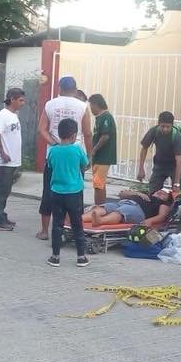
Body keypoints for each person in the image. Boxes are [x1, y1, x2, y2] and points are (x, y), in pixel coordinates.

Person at [36, 76, 92, 240]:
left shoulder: (50, 104)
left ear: (59, 89)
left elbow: (42, 129)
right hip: (76, 156)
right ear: (75, 90)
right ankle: (72, 231)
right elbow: (88, 134)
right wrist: (89, 156)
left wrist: (54, 143)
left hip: (53, 156)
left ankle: (45, 231)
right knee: (75, 193)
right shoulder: (82, 106)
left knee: (49, 191)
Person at [45, 119, 90, 267]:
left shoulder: (53, 150)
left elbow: (50, 165)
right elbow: (85, 164)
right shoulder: (77, 150)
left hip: (57, 192)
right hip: (74, 192)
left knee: (57, 224)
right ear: (74, 135)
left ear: (59, 134)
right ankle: (81, 257)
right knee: (77, 224)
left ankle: (55, 256)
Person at [0, 88, 26, 231]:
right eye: (20, 100)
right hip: (4, 161)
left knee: (6, 190)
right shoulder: (3, 115)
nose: (23, 103)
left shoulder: (13, 115)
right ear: (12, 100)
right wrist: (2, 152)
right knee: (1, 190)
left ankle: (1, 215)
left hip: (12, 161)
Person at [137, 111, 181, 194]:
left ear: (172, 125)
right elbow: (144, 149)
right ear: (158, 124)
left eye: (168, 127)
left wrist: (177, 183)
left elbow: (179, 160)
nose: (165, 129)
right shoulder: (153, 131)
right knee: (152, 191)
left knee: (177, 194)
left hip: (174, 166)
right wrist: (141, 169)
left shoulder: (177, 136)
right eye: (162, 126)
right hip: (160, 164)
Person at [84, 189, 173, 228]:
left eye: (163, 194)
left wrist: (151, 221)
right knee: (105, 207)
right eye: (159, 191)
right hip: (122, 203)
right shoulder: (145, 195)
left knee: (122, 211)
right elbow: (122, 194)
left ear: (167, 199)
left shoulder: (163, 203)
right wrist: (138, 193)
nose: (160, 192)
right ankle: (79, 218)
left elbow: (162, 216)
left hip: (139, 210)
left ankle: (100, 221)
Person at [89, 94, 116, 205]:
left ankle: (99, 207)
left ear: (96, 104)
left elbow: (105, 136)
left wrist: (94, 149)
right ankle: (100, 206)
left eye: (91, 105)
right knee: (99, 184)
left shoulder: (106, 117)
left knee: (98, 184)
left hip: (103, 157)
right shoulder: (99, 118)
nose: (90, 108)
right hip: (98, 157)